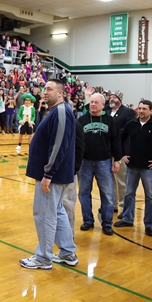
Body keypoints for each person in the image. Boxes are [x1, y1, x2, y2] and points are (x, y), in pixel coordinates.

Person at [19, 79, 78, 270]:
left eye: (50, 89)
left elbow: (59, 144)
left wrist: (48, 173)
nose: (45, 92)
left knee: (44, 214)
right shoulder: (56, 111)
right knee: (58, 212)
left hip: (53, 176)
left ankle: (43, 258)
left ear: (60, 93)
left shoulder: (61, 112)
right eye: (45, 89)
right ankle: (68, 253)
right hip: (56, 176)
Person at [113, 100, 152, 237]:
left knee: (150, 197)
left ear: (151, 110)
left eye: (144, 109)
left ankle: (149, 224)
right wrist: (123, 155)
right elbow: (120, 138)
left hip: (149, 168)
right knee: (129, 194)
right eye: (139, 108)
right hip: (132, 167)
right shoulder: (132, 124)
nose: (141, 111)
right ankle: (127, 219)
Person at [77, 91, 122, 235]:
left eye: (96, 102)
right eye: (91, 102)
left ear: (103, 105)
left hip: (104, 161)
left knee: (107, 194)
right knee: (84, 192)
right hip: (85, 162)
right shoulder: (82, 120)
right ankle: (88, 220)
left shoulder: (110, 121)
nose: (93, 104)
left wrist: (117, 160)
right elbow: (76, 142)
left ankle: (107, 223)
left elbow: (116, 141)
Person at [105, 91, 136, 216]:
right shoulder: (106, 111)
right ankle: (112, 204)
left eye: (114, 97)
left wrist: (112, 132)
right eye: (110, 97)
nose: (112, 99)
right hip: (107, 151)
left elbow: (130, 129)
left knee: (122, 181)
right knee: (109, 180)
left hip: (121, 151)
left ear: (120, 99)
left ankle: (124, 207)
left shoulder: (128, 112)